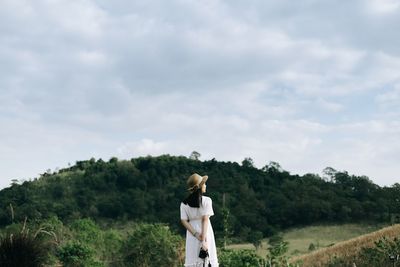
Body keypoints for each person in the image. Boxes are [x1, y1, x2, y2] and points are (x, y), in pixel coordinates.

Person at [180, 173, 219, 267]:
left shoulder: (184, 204)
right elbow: (205, 220)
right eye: (204, 183)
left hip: (192, 234)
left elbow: (184, 221)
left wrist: (196, 234)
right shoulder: (206, 200)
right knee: (207, 261)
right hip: (205, 232)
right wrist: (203, 240)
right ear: (200, 186)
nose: (205, 185)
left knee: (194, 259)